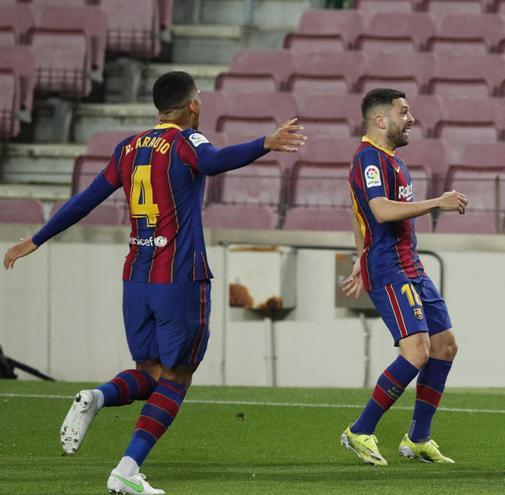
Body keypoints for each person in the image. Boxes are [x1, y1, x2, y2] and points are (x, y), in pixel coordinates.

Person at [3, 71, 307, 495]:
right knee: (177, 377)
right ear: (193, 105)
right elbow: (214, 161)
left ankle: (99, 396)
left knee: (150, 371)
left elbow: (85, 200)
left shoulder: (127, 148)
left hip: (136, 279)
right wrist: (265, 144)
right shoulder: (186, 142)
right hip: (180, 278)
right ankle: (128, 467)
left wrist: (35, 239)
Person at [341, 88, 467, 466]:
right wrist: (436, 202)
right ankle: (360, 430)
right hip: (389, 267)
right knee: (415, 352)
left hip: (409, 265)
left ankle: (418, 438)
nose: (411, 119)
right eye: (404, 112)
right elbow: (378, 210)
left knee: (445, 345)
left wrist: (356, 255)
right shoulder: (369, 159)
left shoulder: (391, 160)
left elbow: (356, 212)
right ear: (381, 120)